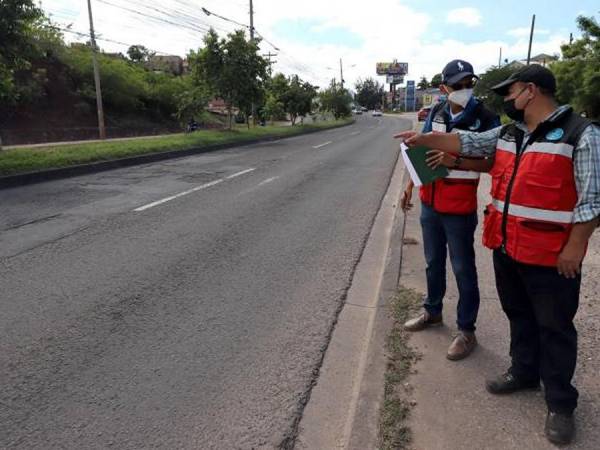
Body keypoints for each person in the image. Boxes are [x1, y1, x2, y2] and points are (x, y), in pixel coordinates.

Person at [396, 64, 600, 445]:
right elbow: (468, 145)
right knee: (518, 314)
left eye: (512, 91)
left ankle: (560, 403)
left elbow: (594, 199)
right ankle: (523, 372)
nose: (507, 99)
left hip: (552, 255)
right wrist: (423, 140)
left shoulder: (580, 135)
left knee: (554, 327)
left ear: (532, 91)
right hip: (508, 246)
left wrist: (576, 245)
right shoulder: (508, 133)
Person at [401, 59, 500, 361]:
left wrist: (453, 161)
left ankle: (466, 330)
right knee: (432, 262)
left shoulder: (485, 118)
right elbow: (419, 148)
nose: (465, 90)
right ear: (444, 88)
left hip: (458, 206)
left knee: (462, 268)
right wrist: (409, 187)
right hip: (430, 201)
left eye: (469, 84)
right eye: (458, 86)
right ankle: (432, 312)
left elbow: (492, 163)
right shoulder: (437, 111)